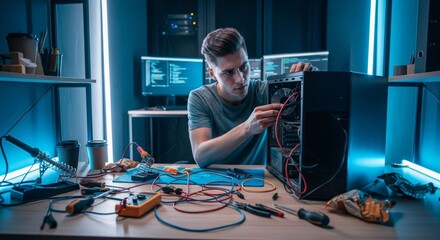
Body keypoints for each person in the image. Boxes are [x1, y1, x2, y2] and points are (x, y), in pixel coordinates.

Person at [188, 27, 316, 168]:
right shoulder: (200, 98)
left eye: (244, 67)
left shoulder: (265, 91)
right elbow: (201, 156)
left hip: (262, 180)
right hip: (219, 181)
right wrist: (247, 128)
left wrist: (312, 79)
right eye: (228, 73)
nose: (241, 79)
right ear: (212, 74)